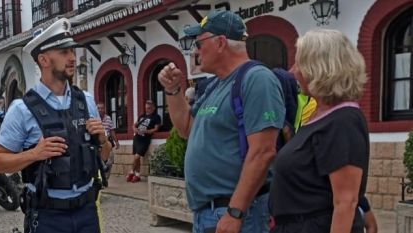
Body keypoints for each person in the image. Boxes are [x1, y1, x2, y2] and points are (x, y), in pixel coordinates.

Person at [158, 10, 285, 233]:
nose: (195, 51)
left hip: (239, 214)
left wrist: (235, 212)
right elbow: (186, 128)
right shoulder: (215, 84)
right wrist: (173, 90)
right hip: (209, 214)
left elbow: (263, 152)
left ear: (221, 43)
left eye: (199, 43)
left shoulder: (257, 79)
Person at [0, 18, 109, 233]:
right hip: (48, 217)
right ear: (43, 59)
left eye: (72, 51)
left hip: (87, 213)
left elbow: (104, 156)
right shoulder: (22, 109)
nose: (72, 57)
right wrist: (34, 154)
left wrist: (103, 140)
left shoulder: (86, 101)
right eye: (63, 52)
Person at [269, 29, 369, 233]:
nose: (293, 70)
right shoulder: (319, 115)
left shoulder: (343, 120)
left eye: (299, 63)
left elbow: (346, 202)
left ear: (319, 68)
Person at [127, 100, 160, 183]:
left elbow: (156, 128)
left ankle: (131, 172)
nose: (147, 110)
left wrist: (146, 131)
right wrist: (134, 129)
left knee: (137, 157)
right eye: (146, 108)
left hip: (145, 139)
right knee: (136, 158)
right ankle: (137, 175)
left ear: (153, 108)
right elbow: (134, 124)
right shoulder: (142, 116)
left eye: (149, 108)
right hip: (137, 138)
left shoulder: (156, 117)